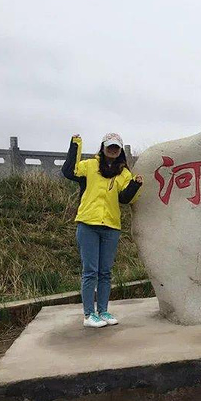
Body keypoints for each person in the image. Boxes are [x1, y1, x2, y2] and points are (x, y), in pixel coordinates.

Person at [62, 132, 143, 328]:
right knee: (90, 271)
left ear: (120, 150)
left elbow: (125, 198)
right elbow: (69, 171)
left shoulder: (124, 173)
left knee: (105, 272)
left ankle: (103, 311)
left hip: (111, 227)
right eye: (110, 146)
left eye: (116, 147)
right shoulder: (90, 166)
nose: (113, 150)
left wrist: (135, 185)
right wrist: (75, 144)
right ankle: (89, 314)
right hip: (88, 224)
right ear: (103, 147)